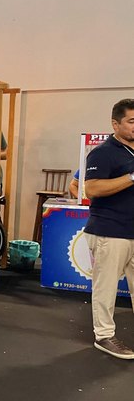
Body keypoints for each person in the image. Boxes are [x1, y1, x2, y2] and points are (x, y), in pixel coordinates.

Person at [83, 98, 134, 359]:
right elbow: (91, 189)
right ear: (116, 124)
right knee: (106, 288)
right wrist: (131, 177)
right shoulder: (103, 153)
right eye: (132, 121)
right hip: (109, 231)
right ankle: (104, 336)